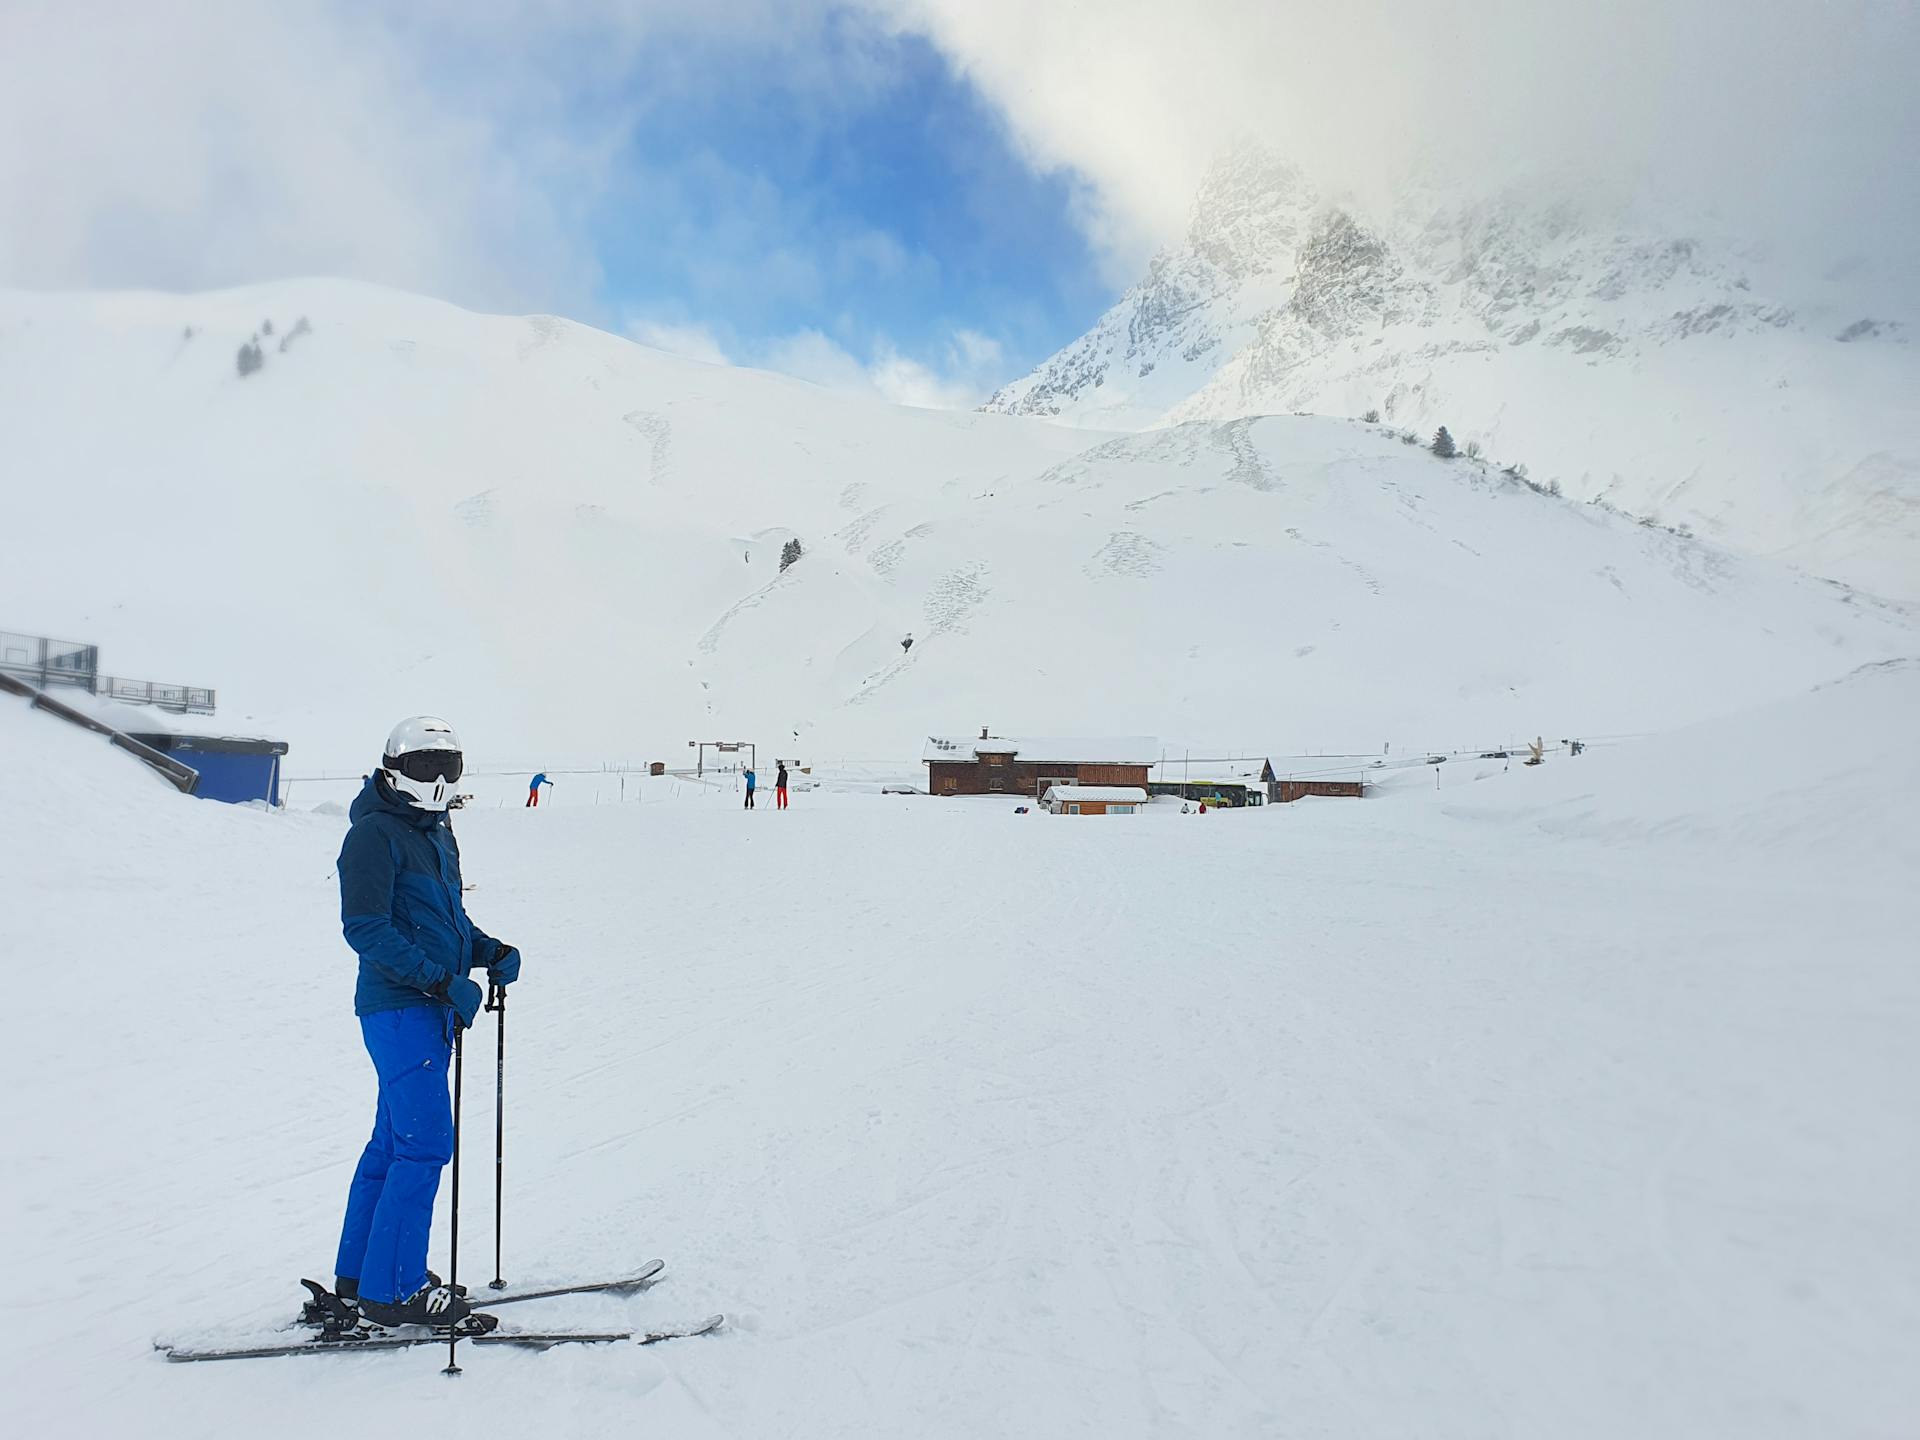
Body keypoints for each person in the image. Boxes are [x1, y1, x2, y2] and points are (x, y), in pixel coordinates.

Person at [331, 716, 521, 1330]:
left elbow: (444, 921)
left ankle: (361, 1278)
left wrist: (484, 951)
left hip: (423, 1006)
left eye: (450, 767)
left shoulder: (437, 833)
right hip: (399, 1007)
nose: (438, 780)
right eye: (423, 767)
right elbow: (366, 928)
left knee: (391, 1146)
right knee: (425, 1145)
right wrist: (441, 981)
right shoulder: (374, 835)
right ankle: (396, 1291)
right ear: (392, 767)